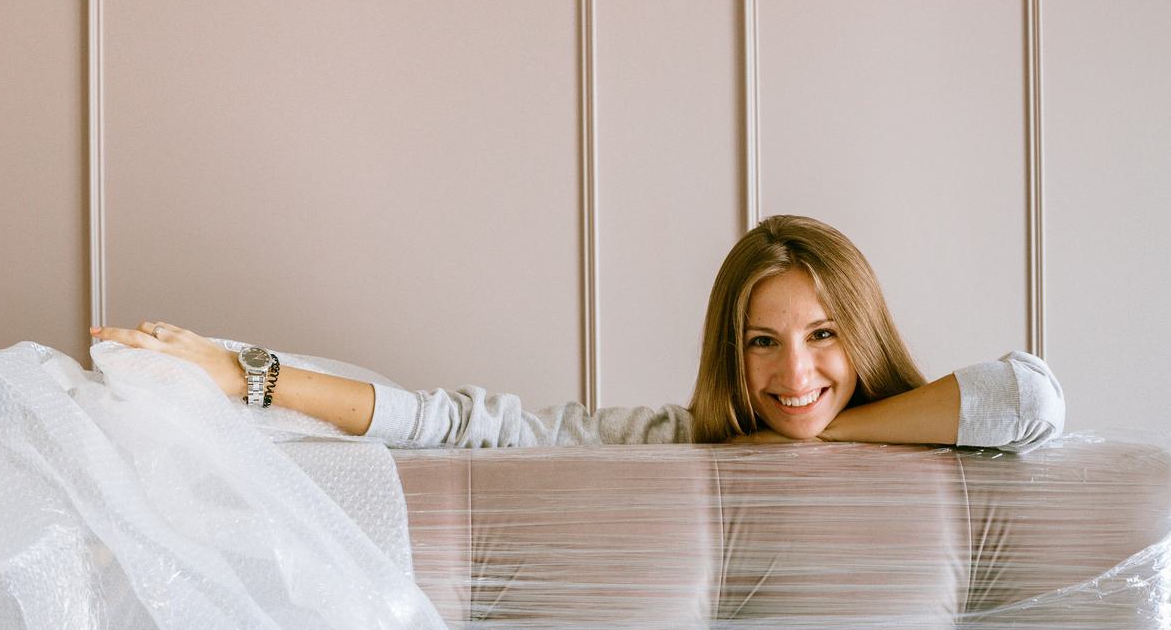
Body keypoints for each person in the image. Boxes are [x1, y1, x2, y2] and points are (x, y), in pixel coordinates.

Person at [90, 215, 1066, 455]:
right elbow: (459, 424)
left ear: (863, 331)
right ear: (729, 354)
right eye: (761, 342)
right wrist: (248, 376)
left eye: (822, 335)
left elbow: (1031, 399)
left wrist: (821, 439)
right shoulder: (675, 443)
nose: (795, 370)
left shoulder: (934, 437)